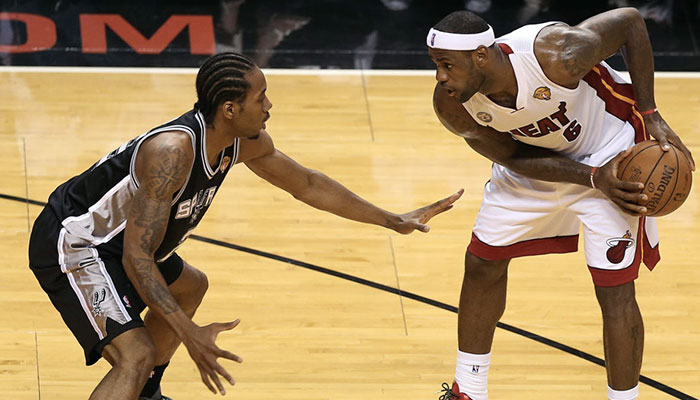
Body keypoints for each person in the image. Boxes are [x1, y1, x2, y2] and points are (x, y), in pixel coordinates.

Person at [28, 52, 463, 400]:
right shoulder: (172, 152)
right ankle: (138, 379)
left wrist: (391, 219)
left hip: (129, 244)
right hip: (78, 244)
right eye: (262, 97)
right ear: (230, 108)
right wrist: (190, 334)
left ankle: (143, 392)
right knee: (134, 355)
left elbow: (307, 184)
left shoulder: (239, 140)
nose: (269, 106)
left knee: (190, 286)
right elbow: (136, 258)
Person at [426, 9, 694, 400]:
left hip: (611, 154)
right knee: (482, 262)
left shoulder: (556, 55)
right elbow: (511, 156)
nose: (440, 77)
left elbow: (631, 23)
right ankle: (469, 389)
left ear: (481, 56)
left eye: (447, 65)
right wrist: (587, 177)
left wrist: (650, 114)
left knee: (614, 288)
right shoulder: (452, 105)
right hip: (539, 164)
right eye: (435, 65)